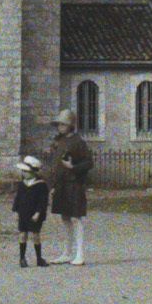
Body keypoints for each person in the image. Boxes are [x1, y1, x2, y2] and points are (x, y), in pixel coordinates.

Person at [47, 109, 92, 265]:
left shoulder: (78, 142)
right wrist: (51, 184)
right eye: (59, 124)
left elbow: (88, 162)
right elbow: (54, 165)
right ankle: (67, 252)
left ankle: (79, 253)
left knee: (76, 218)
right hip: (61, 185)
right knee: (65, 217)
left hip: (74, 184)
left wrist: (73, 167)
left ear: (70, 125)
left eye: (63, 124)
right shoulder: (58, 141)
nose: (60, 127)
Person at [11, 155, 49, 268]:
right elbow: (18, 198)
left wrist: (38, 212)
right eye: (23, 171)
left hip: (34, 214)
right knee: (22, 234)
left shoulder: (41, 185)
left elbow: (43, 201)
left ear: (33, 172)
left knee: (36, 235)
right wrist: (16, 211)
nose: (24, 173)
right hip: (23, 212)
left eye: (26, 171)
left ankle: (39, 258)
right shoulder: (22, 184)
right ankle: (22, 258)